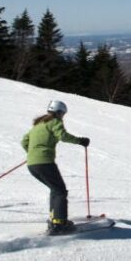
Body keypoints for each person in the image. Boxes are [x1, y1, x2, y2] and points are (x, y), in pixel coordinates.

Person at [21, 100, 90, 235]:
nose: (63, 116)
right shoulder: (55, 122)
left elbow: (24, 141)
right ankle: (59, 224)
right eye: (62, 113)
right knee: (60, 191)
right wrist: (80, 141)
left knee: (55, 189)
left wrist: (32, 154)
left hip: (32, 164)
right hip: (45, 162)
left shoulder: (37, 125)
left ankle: (55, 219)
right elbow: (63, 136)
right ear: (59, 112)